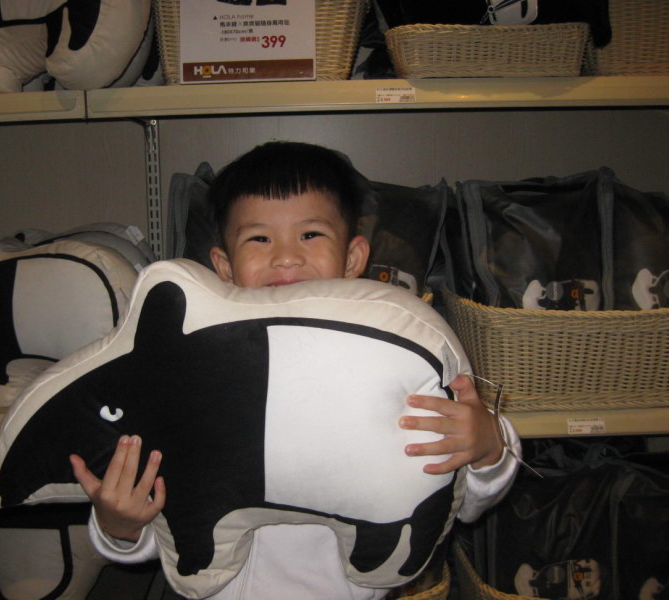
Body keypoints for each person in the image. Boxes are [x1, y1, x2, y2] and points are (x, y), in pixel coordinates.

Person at [70, 141, 521, 599]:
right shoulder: (195, 379)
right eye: (259, 239)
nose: (286, 256)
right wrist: (119, 526)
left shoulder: (390, 364)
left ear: (353, 259)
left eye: (310, 235)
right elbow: (169, 525)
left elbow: (460, 500)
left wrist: (488, 448)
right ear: (223, 266)